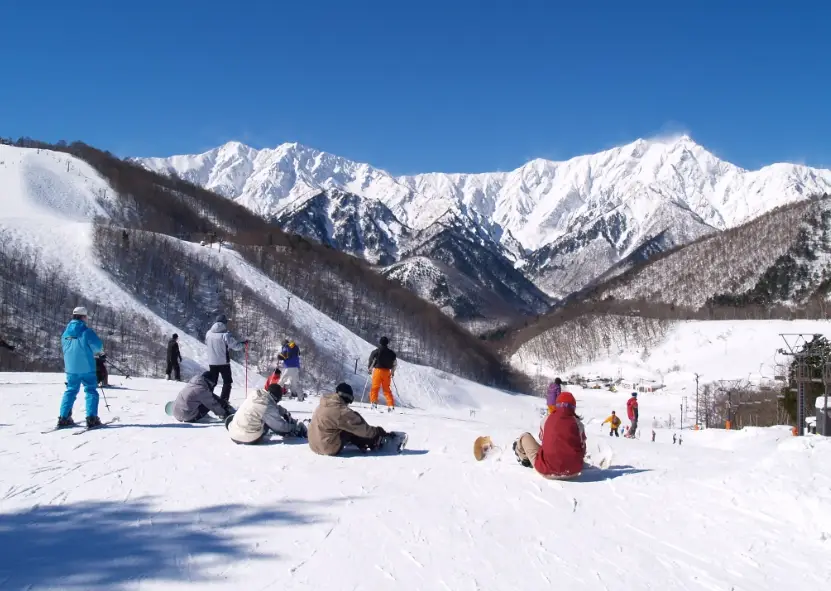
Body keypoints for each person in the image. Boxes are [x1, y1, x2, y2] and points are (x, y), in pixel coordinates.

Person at [513, 392, 586, 480]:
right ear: (573, 407)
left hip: (547, 470)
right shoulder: (578, 424)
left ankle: (524, 458)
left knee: (525, 437)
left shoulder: (547, 419)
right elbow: (583, 447)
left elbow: (542, 438)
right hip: (574, 471)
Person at [308, 383, 392, 456]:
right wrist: (376, 431)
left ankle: (359, 441)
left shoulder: (324, 403)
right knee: (351, 425)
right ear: (347, 397)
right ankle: (375, 441)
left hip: (313, 445)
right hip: (327, 448)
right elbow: (361, 429)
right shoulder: (341, 411)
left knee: (344, 425)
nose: (349, 404)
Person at [57, 307, 104, 429]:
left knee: (71, 390)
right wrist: (98, 354)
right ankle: (92, 418)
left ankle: (64, 417)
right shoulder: (86, 332)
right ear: (83, 317)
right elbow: (98, 346)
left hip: (71, 368)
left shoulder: (65, 333)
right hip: (87, 367)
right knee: (90, 391)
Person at [226, 384, 308, 445]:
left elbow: (270, 405)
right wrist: (293, 427)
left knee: (253, 413)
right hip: (248, 438)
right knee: (269, 423)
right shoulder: (268, 407)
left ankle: (239, 423)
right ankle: (257, 429)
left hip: (232, 432)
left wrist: (283, 411)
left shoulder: (257, 393)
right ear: (276, 398)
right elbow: (281, 427)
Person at [205, 314, 246, 403]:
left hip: (212, 362)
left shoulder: (208, 333)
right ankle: (223, 401)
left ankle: (207, 399)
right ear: (224, 323)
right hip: (224, 362)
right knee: (227, 382)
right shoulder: (225, 335)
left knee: (212, 382)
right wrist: (243, 344)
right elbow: (235, 346)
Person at [368, 336, 397, 410]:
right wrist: (392, 372)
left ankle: (374, 403)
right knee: (387, 389)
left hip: (378, 371)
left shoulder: (376, 352)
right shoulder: (392, 353)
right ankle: (390, 405)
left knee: (375, 388)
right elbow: (394, 363)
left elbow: (371, 360)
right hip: (387, 372)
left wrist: (370, 369)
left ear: (380, 342)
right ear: (387, 343)